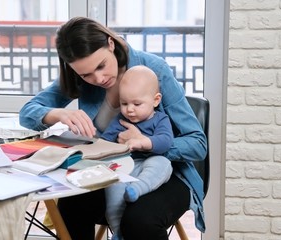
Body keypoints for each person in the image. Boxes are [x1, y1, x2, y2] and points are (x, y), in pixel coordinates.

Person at [19, 16, 207, 240]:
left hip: (167, 172)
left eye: (101, 66)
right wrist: (58, 113)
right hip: (112, 170)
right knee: (72, 204)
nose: (98, 78)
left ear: (110, 44)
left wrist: (146, 144)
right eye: (86, 74)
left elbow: (197, 144)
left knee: (139, 220)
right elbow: (27, 112)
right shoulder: (79, 77)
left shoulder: (153, 69)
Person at [101, 65, 174, 240]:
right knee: (113, 187)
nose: (129, 109)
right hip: (125, 166)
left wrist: (143, 142)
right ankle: (118, 231)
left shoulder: (160, 119)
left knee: (162, 164)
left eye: (137, 104)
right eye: (124, 103)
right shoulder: (120, 119)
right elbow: (104, 142)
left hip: (150, 163)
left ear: (155, 100)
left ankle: (137, 189)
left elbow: (166, 141)